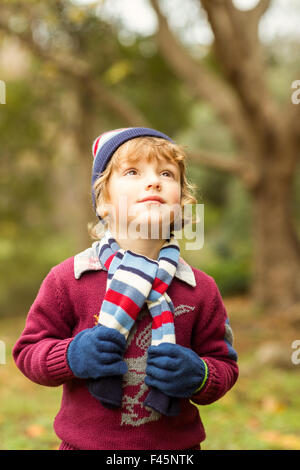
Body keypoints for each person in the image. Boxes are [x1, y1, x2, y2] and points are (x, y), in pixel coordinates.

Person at [13, 127, 239, 451]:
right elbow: (28, 352)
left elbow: (225, 366)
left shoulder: (198, 289)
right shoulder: (70, 279)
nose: (154, 181)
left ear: (181, 204)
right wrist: (71, 356)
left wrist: (200, 374)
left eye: (166, 173)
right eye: (133, 172)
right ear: (103, 202)